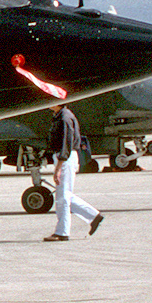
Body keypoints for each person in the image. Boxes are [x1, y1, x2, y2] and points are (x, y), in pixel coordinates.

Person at [45, 104, 102, 242]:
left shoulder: (64, 118)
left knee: (63, 197)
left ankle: (62, 232)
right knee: (65, 194)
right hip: (64, 157)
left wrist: (59, 166)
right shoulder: (61, 115)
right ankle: (93, 216)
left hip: (65, 158)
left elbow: (66, 144)